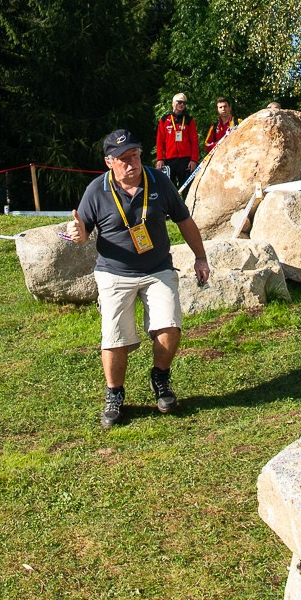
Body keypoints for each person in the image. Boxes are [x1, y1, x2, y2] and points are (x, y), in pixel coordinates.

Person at [65, 129, 210, 429]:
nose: (131, 163)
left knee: (170, 326)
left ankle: (160, 378)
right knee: (114, 338)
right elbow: (82, 232)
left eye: (135, 155)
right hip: (114, 273)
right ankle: (114, 394)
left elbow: (184, 220)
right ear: (109, 162)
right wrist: (77, 235)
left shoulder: (159, 181)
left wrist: (200, 257)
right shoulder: (96, 190)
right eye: (123, 158)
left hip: (158, 269)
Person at [155, 94, 199, 186]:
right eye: (179, 102)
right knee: (168, 187)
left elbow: (194, 141)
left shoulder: (189, 120)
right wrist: (160, 159)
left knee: (187, 188)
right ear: (173, 103)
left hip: (186, 160)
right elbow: (160, 141)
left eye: (184, 103)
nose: (182, 104)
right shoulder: (164, 120)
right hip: (169, 160)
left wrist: (194, 160)